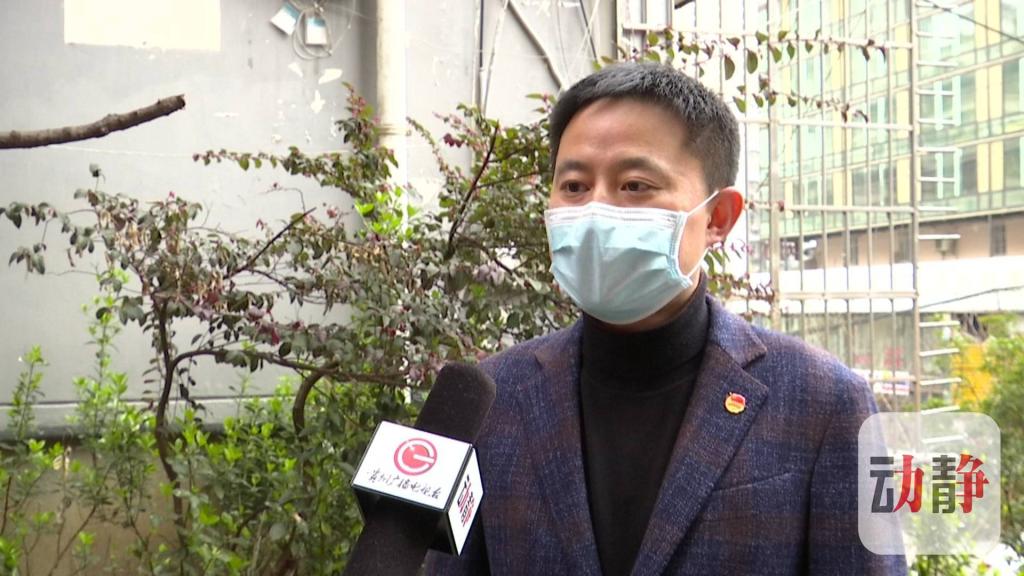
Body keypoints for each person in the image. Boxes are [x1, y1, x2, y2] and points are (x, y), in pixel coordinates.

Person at [424, 62, 906, 575]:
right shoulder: (491, 399)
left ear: (718, 217)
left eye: (635, 185)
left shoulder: (828, 403)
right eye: (575, 185)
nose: (596, 210)